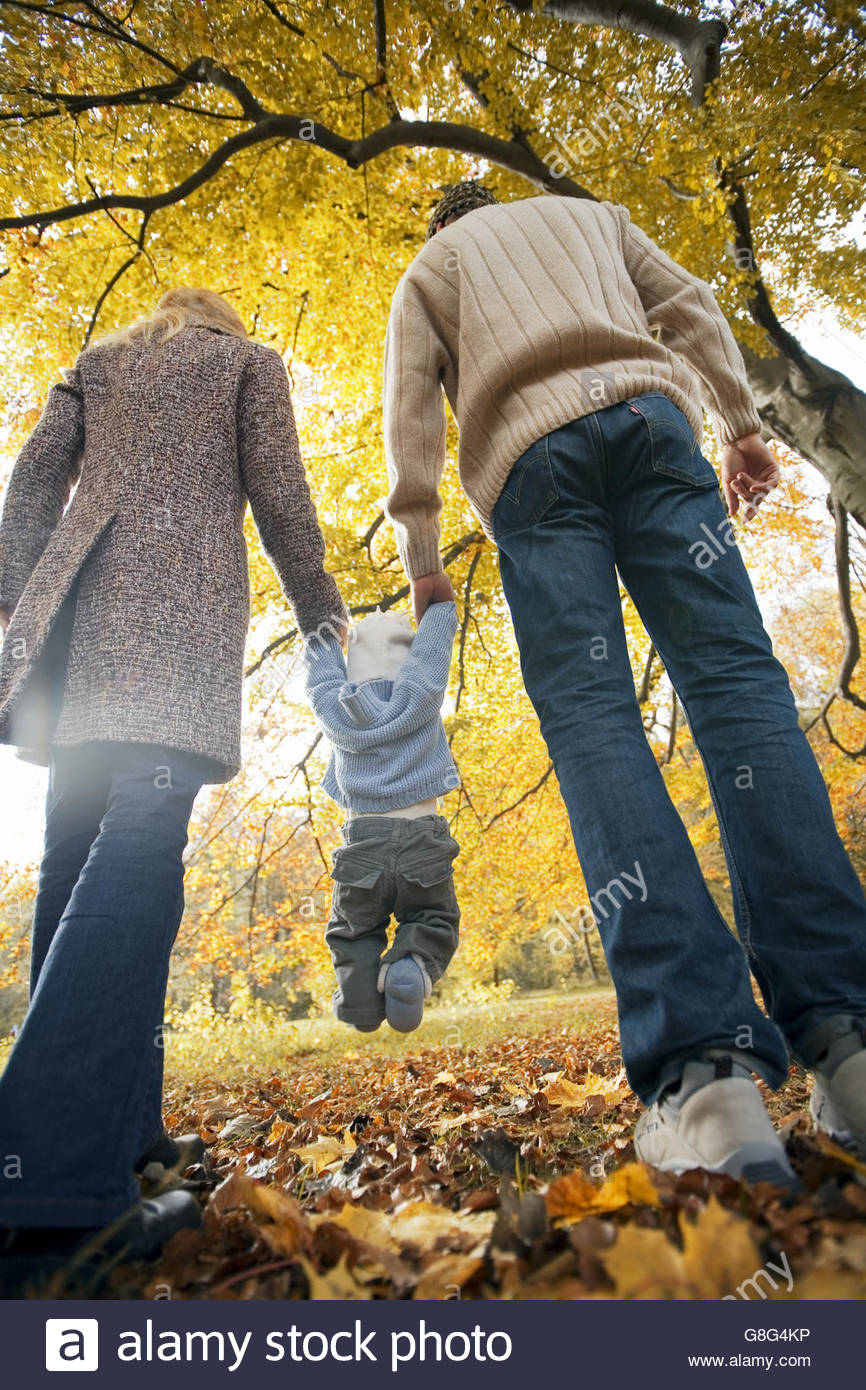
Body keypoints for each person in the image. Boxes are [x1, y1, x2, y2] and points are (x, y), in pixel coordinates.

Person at [381, 180, 866, 1189]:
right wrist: (737, 420)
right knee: (738, 688)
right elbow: (686, 300)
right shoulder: (591, 216)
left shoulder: (431, 271)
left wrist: (422, 552)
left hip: (529, 468)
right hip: (653, 427)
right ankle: (848, 1038)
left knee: (595, 722)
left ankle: (705, 1079)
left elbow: (410, 404)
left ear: (440, 225)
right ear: (497, 199)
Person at [0, 287, 346, 1285]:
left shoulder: (97, 360)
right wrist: (323, 619)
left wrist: (18, 596)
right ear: (221, 319)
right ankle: (52, 1184)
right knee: (145, 835)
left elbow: (29, 483)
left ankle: (119, 1133)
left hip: (74, 622)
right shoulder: (244, 364)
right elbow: (280, 499)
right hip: (180, 603)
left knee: (72, 857)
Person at [304, 603, 461, 1032]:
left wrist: (324, 639)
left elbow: (320, 678)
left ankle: (358, 997)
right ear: (407, 659)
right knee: (433, 918)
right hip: (422, 840)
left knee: (354, 928)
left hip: (363, 842)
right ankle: (412, 962)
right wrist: (440, 609)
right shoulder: (421, 695)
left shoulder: (336, 708)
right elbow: (433, 653)